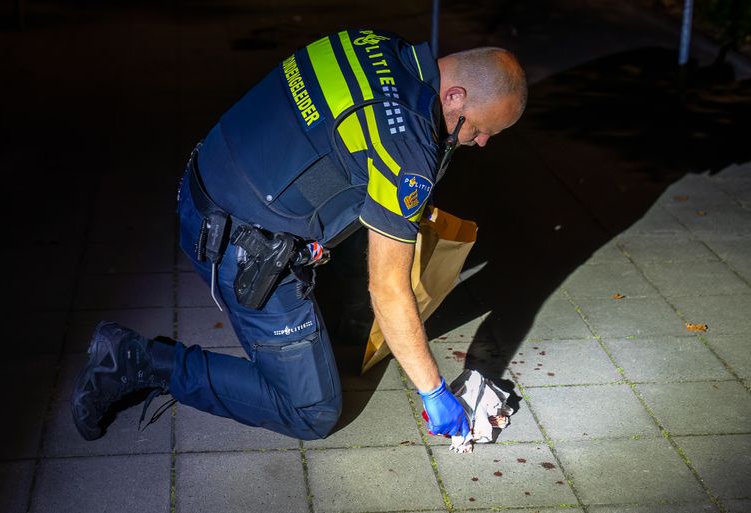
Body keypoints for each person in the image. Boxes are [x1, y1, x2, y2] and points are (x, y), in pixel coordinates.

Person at [71, 29, 527, 442]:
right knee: (311, 411)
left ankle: (323, 325)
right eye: (482, 129)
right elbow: (388, 287)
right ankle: (133, 359)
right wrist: (433, 389)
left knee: (375, 222)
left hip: (204, 182)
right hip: (235, 246)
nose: (482, 143)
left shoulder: (370, 43)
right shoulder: (406, 146)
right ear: (455, 95)